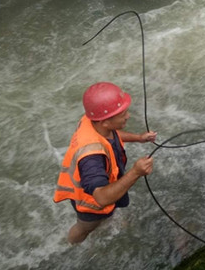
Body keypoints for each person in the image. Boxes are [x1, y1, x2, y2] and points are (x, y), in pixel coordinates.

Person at [53, 82, 157, 244]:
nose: (128, 116)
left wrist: (138, 138)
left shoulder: (92, 121)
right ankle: (71, 244)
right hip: (90, 204)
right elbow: (101, 198)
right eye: (122, 114)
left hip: (98, 185)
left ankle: (106, 219)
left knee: (103, 215)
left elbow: (112, 134)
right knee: (85, 227)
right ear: (105, 122)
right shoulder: (91, 158)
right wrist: (135, 172)